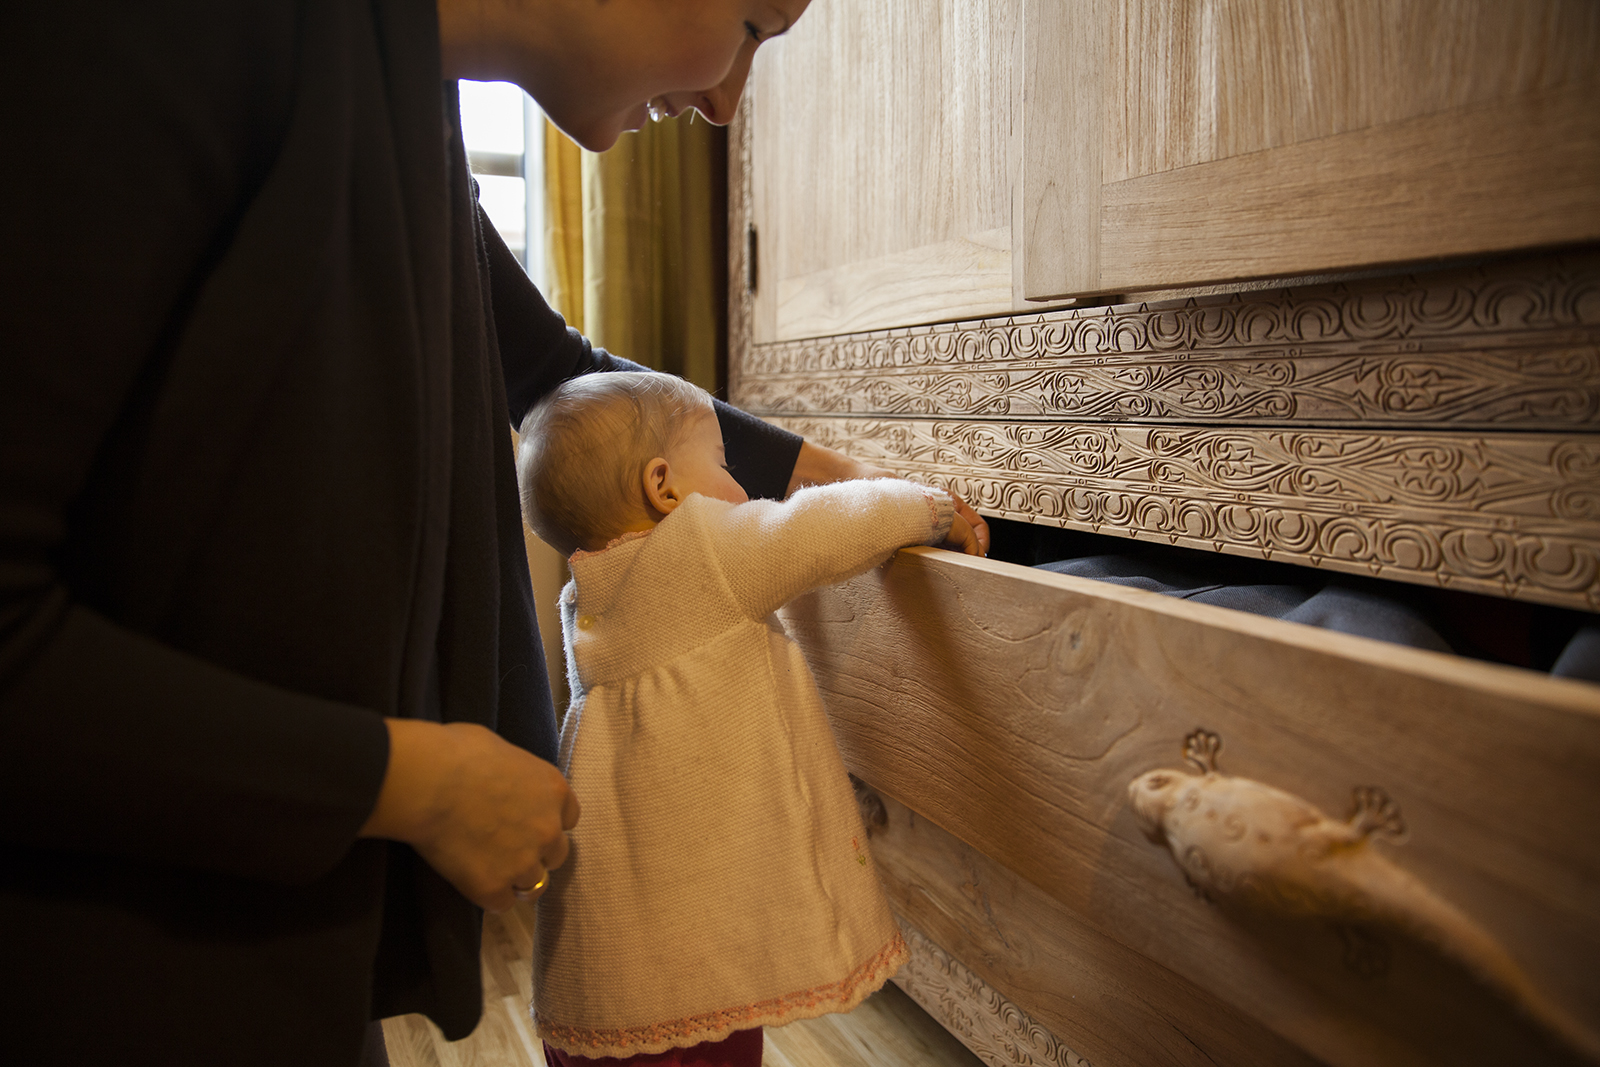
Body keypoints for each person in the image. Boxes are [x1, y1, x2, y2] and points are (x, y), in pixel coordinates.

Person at [0, 2, 987, 1064]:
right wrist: (399, 779)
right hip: (120, 957)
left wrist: (819, 471)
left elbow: (558, 373)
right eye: (753, 22)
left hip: (283, 916)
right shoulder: (171, 35)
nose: (725, 100)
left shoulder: (399, 105)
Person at [517, 373, 979, 1066]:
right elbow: (825, 526)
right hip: (693, 981)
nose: (739, 484)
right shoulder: (703, 547)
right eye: (724, 461)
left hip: (606, 973)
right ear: (664, 486)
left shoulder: (591, 594)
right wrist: (932, 509)